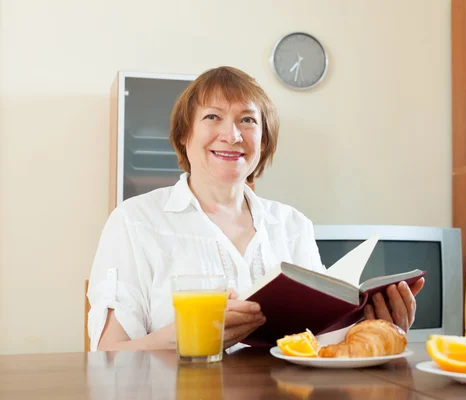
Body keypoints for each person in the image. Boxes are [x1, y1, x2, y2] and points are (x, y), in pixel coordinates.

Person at [87, 66, 425, 352]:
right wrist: (194, 336)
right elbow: (109, 358)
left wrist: (373, 328)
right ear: (184, 135)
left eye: (247, 120)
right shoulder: (134, 221)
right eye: (212, 117)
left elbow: (320, 344)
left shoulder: (293, 225)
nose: (232, 135)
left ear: (262, 143)